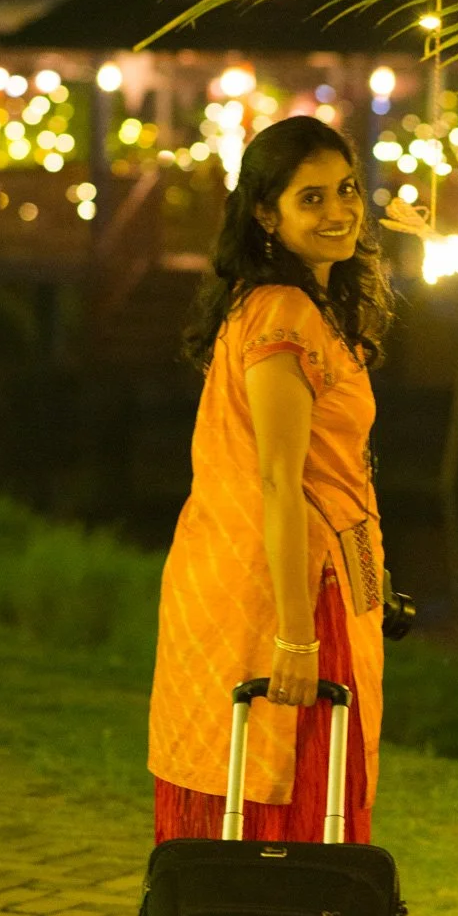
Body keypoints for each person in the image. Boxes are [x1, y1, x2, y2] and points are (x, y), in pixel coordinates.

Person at [148, 114, 394, 844]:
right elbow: (277, 482)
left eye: (346, 190)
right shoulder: (281, 314)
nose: (339, 210)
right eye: (309, 198)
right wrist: (292, 638)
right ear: (266, 213)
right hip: (288, 593)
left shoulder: (299, 307)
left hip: (294, 573)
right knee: (288, 805)